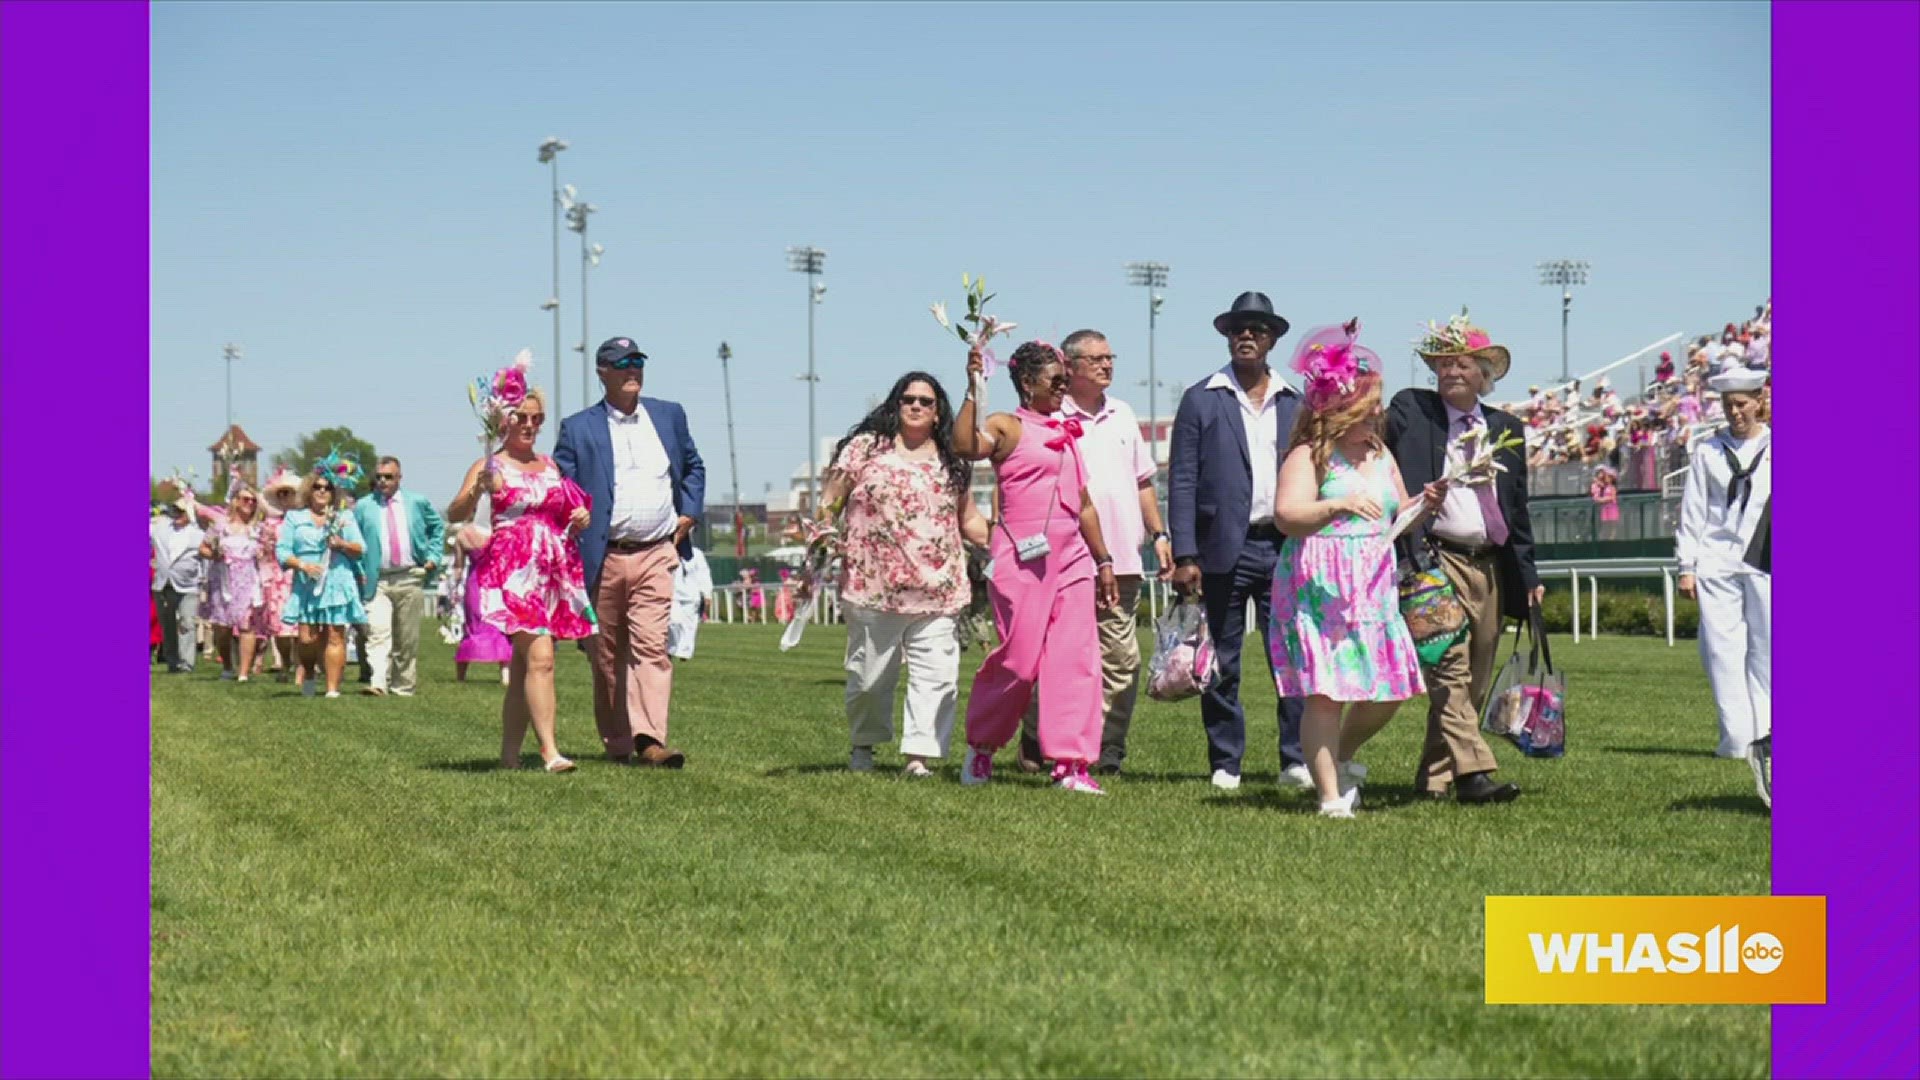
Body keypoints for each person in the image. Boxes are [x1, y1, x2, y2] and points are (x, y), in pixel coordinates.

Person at [1271, 321, 1447, 818]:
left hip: (1373, 584)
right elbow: (1287, 516)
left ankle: (1342, 756)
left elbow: (1396, 512)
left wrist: (1425, 503)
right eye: (1366, 414)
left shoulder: (1378, 452)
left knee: (1389, 690)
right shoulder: (1310, 456)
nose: (1375, 421)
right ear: (1338, 411)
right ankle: (1330, 797)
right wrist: (1339, 505)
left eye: (1376, 413)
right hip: (1319, 586)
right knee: (1325, 694)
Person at [1385, 310, 1540, 804]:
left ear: (1485, 376)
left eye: (1463, 364)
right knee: (1448, 668)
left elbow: (1518, 512)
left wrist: (1530, 576)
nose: (1451, 371)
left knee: (1470, 681)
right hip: (1435, 559)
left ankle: (1433, 780)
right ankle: (1474, 776)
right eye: (1443, 363)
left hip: (1490, 566)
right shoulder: (1413, 411)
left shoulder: (1507, 428)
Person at [954, 341, 1122, 794]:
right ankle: (982, 746)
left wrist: (1103, 559)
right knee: (1019, 660)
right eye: (1055, 381)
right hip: (1021, 559)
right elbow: (965, 444)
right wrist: (974, 385)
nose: (1063, 388)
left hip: (1071, 558)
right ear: (1028, 384)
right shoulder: (1007, 425)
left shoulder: (1065, 431)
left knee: (1076, 659)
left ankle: (1071, 764)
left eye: (1066, 380)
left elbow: (1084, 504)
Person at [811, 372, 990, 777]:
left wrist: (1007, 540)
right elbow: (830, 502)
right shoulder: (864, 449)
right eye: (908, 398)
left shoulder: (952, 458)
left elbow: (969, 519)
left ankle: (918, 757)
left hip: (939, 589)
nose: (916, 406)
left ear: (938, 410)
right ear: (895, 404)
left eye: (926, 401)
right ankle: (864, 747)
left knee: (937, 679)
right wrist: (821, 536)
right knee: (869, 680)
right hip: (873, 588)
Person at [1166, 291, 1309, 791]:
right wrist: (1185, 553)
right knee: (1221, 660)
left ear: (1273, 338)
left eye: (1257, 329)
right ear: (1227, 336)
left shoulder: (1298, 401)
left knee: (1291, 657)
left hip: (1287, 546)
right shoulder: (1202, 397)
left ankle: (1296, 758)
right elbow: (1182, 478)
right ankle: (1226, 761)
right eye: (1238, 329)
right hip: (1223, 548)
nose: (1247, 336)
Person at [1014, 328, 1173, 777]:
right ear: (1070, 366)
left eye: (1110, 357)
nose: (1107, 365)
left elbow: (1143, 482)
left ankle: (1105, 752)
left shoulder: (1123, 415)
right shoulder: (1047, 415)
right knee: (1052, 661)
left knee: (1122, 663)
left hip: (1122, 559)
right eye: (1097, 359)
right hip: (1064, 560)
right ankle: (1039, 733)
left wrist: (1159, 533)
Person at [554, 336, 705, 768]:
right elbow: (562, 487)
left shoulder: (669, 416)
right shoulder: (578, 428)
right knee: (605, 657)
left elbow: (693, 467)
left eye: (638, 361)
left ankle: (650, 740)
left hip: (657, 551)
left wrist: (689, 513)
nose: (632, 369)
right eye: (622, 363)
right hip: (602, 557)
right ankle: (618, 740)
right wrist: (574, 513)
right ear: (602, 371)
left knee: (652, 648)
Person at [448, 386, 595, 772]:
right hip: (512, 573)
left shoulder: (550, 466)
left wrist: (579, 518)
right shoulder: (489, 466)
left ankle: (509, 757)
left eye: (536, 418)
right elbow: (455, 512)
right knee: (542, 658)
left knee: (522, 668)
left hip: (551, 571)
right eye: (521, 417)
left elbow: (565, 512)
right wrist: (477, 492)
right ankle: (550, 751)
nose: (529, 425)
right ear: (503, 421)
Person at [1675, 364, 1771, 776]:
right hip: (1716, 562)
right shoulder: (1707, 452)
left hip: (1765, 562)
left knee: (1767, 651)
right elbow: (1693, 510)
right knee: (1722, 651)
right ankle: (1735, 739)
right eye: (1728, 405)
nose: (1735, 413)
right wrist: (1687, 566)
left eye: (1742, 404)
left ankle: (1768, 735)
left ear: (1760, 403)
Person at [353, 456, 447, 698]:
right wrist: (359, 571)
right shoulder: (364, 506)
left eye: (389, 477)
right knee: (377, 631)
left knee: (406, 638)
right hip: (378, 579)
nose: (383, 481)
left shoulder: (416, 502)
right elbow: (355, 540)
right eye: (379, 477)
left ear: (399, 478)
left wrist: (434, 556)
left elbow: (437, 527)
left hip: (409, 575)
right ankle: (378, 682)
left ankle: (403, 685)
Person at [276, 463, 368, 698]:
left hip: (337, 579)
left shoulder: (344, 517)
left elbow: (360, 548)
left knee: (336, 634)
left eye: (327, 488)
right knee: (307, 639)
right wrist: (302, 565)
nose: (321, 491)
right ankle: (308, 674)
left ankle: (332, 689)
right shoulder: (295, 518)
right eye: (317, 487)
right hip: (307, 582)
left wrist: (342, 544)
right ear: (308, 490)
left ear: (333, 493)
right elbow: (283, 552)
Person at [198, 485, 268, 683]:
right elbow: (203, 548)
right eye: (246, 499)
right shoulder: (220, 525)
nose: (250, 504)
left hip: (248, 580)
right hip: (223, 580)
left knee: (247, 625)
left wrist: (263, 554)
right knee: (222, 626)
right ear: (236, 501)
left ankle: (244, 673)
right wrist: (215, 554)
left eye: (253, 501)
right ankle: (228, 666)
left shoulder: (258, 528)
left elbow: (268, 552)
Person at [254, 468, 302, 680]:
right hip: (277, 579)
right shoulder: (270, 524)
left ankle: (302, 669)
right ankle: (286, 662)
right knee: (281, 629)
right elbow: (262, 553)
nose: (285, 498)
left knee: (302, 628)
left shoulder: (305, 520)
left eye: (289, 493)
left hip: (300, 577)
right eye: (281, 494)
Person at [451, 525, 512, 685]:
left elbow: (458, 566)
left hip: (476, 583)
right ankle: (505, 675)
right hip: (499, 582)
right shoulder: (504, 528)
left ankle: (461, 676)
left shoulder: (464, 533)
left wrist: (454, 589)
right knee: (500, 627)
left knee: (472, 626)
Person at [150, 497, 206, 673]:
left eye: (181, 510)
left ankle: (187, 663)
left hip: (187, 585)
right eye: (175, 510)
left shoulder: (198, 535)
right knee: (167, 625)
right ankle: (172, 661)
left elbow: (205, 560)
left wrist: (203, 581)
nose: (177, 514)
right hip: (163, 584)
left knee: (187, 622)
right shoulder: (160, 529)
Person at [668, 545, 714, 661]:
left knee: (690, 626)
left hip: (692, 596)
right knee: (674, 622)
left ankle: (684, 652)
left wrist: (707, 593)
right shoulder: (667, 551)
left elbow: (704, 573)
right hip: (673, 595)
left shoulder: (697, 554)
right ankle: (671, 649)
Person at [1591, 464, 1621, 541]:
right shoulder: (1602, 486)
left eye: (1609, 477)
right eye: (1606, 476)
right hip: (1604, 508)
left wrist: (1604, 499)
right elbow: (1596, 496)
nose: (1606, 478)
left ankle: (1612, 539)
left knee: (1613, 525)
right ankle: (1602, 539)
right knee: (1605, 525)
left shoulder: (1612, 487)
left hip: (1612, 508)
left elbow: (1613, 498)